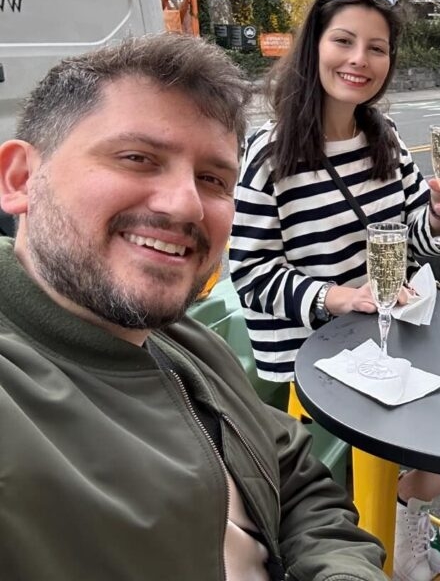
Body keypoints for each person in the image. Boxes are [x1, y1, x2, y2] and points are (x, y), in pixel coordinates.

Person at [0, 33, 389, 581]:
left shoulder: (181, 339)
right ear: (20, 179)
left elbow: (293, 474)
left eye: (211, 179)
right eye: (137, 158)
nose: (185, 204)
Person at [229, 0, 440, 581]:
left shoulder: (388, 141)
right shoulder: (270, 154)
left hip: (387, 337)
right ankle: (402, 537)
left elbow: (413, 246)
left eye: (376, 48)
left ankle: (431, 531)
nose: (360, 60)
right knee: (358, 497)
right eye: (344, 41)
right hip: (314, 363)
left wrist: (438, 212)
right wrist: (335, 298)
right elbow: (249, 274)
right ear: (313, 49)